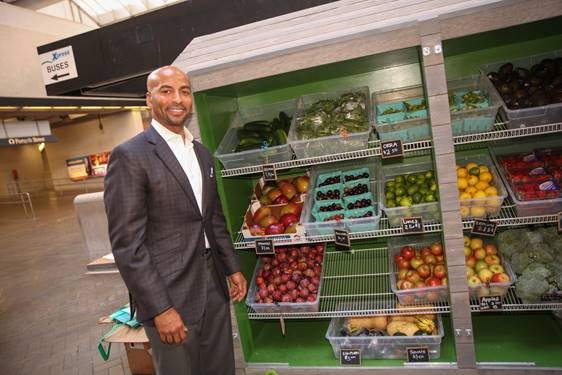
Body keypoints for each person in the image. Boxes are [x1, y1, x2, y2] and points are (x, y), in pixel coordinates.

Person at [104, 65, 247, 375]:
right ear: (149, 99)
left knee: (221, 367)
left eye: (184, 91)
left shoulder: (201, 152)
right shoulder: (130, 156)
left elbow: (213, 217)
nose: (177, 99)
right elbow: (128, 246)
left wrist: (232, 266)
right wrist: (160, 309)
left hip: (212, 281)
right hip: (169, 290)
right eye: (166, 91)